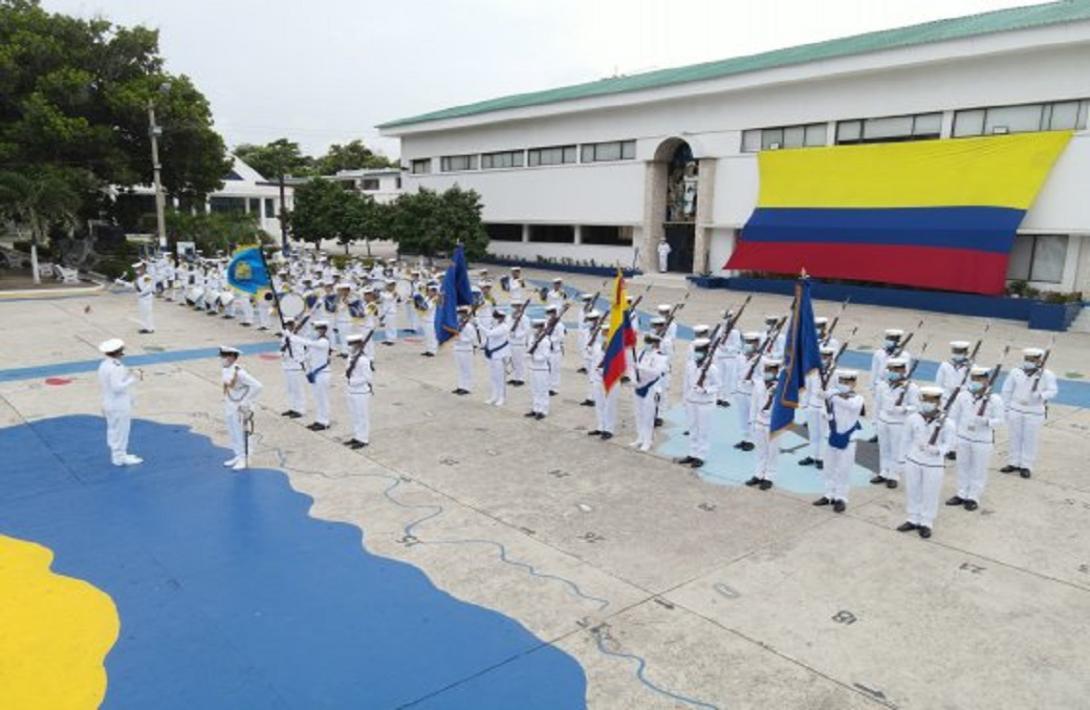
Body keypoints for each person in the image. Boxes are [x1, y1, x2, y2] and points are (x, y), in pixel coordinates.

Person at [898, 386, 953, 539]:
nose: (928, 403)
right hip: (914, 460)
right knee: (913, 490)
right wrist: (902, 460)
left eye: (932, 400)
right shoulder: (913, 418)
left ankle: (926, 522)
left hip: (933, 464)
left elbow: (950, 444)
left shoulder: (947, 422)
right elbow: (905, 439)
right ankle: (912, 518)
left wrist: (938, 450)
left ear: (938, 402)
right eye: (926, 399)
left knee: (930, 493)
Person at [947, 365, 1004, 511]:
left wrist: (986, 422)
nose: (975, 381)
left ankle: (973, 496)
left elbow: (1000, 421)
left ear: (986, 380)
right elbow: (953, 416)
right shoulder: (963, 395)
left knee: (978, 469)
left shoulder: (994, 399)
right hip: (964, 436)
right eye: (973, 379)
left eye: (979, 379)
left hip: (982, 440)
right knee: (962, 466)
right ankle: (961, 493)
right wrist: (953, 438)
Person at [1000, 347, 1058, 479]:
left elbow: (1053, 391)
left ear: (1039, 360)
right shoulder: (1016, 372)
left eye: (1032, 360)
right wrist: (1006, 408)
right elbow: (1007, 390)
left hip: (1034, 411)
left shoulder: (1046, 374)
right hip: (1016, 408)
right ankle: (1013, 462)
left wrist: (1041, 395)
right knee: (1014, 437)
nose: (1028, 362)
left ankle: (1026, 465)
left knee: (1029, 439)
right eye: (1027, 359)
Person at [817, 369, 866, 513]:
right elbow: (823, 409)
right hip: (832, 435)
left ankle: (841, 498)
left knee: (843, 470)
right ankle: (829, 494)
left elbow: (851, 406)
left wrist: (830, 395)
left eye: (847, 382)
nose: (844, 384)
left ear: (854, 383)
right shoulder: (832, 395)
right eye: (842, 381)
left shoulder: (857, 398)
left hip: (848, 439)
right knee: (829, 467)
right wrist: (825, 414)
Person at [873, 357, 917, 490]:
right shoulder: (882, 385)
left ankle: (893, 475)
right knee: (884, 448)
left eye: (897, 370)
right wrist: (875, 420)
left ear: (904, 370)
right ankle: (884, 472)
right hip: (883, 420)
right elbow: (877, 404)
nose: (893, 372)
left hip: (898, 423)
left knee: (896, 450)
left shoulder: (911, 387)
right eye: (891, 369)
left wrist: (904, 409)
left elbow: (916, 406)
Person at [97, 338, 143, 466]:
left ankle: (117, 454)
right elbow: (117, 387)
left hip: (108, 401)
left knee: (113, 429)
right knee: (122, 430)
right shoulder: (116, 367)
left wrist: (127, 375)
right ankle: (119, 457)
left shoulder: (104, 364)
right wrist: (134, 378)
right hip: (119, 404)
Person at [677, 338, 720, 468]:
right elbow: (686, 382)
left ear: (706, 353)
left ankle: (701, 455)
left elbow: (718, 385)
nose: (697, 354)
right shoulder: (690, 365)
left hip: (705, 403)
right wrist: (685, 398)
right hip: (691, 401)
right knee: (693, 428)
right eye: (696, 351)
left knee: (703, 430)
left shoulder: (712, 368)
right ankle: (692, 453)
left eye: (700, 351)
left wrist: (705, 390)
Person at [220, 346, 263, 471]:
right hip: (230, 404)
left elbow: (258, 386)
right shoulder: (226, 369)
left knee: (241, 433)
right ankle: (238, 455)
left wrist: (246, 401)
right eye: (222, 356)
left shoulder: (239, 373)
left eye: (225, 356)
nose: (222, 359)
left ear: (232, 357)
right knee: (232, 431)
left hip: (240, 407)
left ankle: (244, 459)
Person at [745, 358, 782, 489]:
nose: (767, 372)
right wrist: (752, 421)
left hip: (774, 424)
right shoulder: (759, 383)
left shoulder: (782, 386)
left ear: (777, 371)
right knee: (761, 451)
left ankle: (769, 476)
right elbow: (754, 403)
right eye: (766, 369)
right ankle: (758, 474)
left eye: (771, 370)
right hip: (759, 422)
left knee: (772, 452)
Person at [799, 346, 835, 469]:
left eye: (826, 356)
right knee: (813, 433)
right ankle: (812, 455)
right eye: (822, 356)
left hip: (825, 407)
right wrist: (805, 404)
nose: (823, 359)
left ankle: (821, 458)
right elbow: (806, 389)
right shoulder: (812, 372)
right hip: (812, 406)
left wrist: (828, 395)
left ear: (831, 357)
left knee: (823, 434)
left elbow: (837, 392)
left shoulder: (835, 373)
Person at [631, 333, 667, 451]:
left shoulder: (661, 357)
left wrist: (640, 368)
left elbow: (656, 372)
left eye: (649, 342)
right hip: (638, 385)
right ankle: (640, 438)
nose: (646, 344)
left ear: (655, 344)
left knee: (648, 416)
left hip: (651, 388)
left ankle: (648, 441)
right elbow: (634, 368)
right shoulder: (641, 353)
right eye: (646, 342)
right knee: (639, 414)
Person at [586, 325, 619, 440]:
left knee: (609, 405)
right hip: (597, 378)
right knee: (599, 404)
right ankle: (601, 426)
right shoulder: (597, 346)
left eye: (607, 331)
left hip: (610, 380)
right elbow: (589, 353)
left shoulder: (617, 348)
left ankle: (609, 429)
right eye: (603, 331)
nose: (604, 333)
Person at [731, 332, 762, 451]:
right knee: (743, 417)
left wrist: (753, 381)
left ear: (757, 344)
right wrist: (734, 391)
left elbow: (764, 378)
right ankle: (745, 438)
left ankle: (752, 440)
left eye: (751, 342)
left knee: (752, 417)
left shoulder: (761, 359)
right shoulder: (740, 357)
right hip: (741, 392)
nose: (748, 345)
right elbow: (735, 374)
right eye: (747, 342)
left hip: (752, 393)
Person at [301, 321, 333, 431]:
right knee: (317, 399)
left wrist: (292, 337)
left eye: (318, 329)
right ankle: (319, 420)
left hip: (322, 374)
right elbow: (308, 355)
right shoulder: (317, 342)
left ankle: (325, 422)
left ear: (323, 330)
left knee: (323, 399)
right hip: (315, 374)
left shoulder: (324, 342)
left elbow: (309, 343)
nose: (315, 331)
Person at [344, 334, 374, 449]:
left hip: (361, 392)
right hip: (351, 391)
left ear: (357, 345)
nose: (350, 347)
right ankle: (357, 436)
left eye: (352, 345)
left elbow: (368, 378)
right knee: (354, 415)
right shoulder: (351, 357)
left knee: (362, 416)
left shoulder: (363, 360)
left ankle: (363, 438)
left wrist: (354, 381)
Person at [278, 316, 308, 419]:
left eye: (291, 324)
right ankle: (293, 407)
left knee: (298, 389)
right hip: (287, 365)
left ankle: (300, 409)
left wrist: (290, 338)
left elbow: (300, 352)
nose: (289, 326)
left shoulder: (298, 337)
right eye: (287, 325)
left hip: (295, 366)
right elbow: (282, 350)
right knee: (290, 389)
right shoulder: (285, 337)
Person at [482, 308, 511, 406]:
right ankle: (494, 396)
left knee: (500, 378)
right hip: (492, 355)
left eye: (498, 317)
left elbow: (489, 334)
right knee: (493, 377)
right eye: (495, 316)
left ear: (502, 318)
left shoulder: (504, 327)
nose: (496, 318)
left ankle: (501, 397)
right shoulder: (495, 326)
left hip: (500, 355)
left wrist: (479, 325)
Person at [525, 319, 551, 420]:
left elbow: (545, 356)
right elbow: (529, 348)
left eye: (537, 328)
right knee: (534, 390)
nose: (535, 330)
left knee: (542, 390)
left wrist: (533, 357)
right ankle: (536, 408)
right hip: (533, 368)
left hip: (542, 369)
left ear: (542, 328)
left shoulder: (545, 341)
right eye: (535, 328)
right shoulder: (532, 338)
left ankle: (543, 410)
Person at [452, 305, 478, 395]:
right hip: (457, 349)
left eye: (462, 314)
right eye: (459, 314)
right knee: (460, 369)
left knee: (467, 369)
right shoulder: (456, 325)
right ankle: (460, 386)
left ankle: (467, 387)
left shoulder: (469, 326)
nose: (460, 316)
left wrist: (461, 339)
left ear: (465, 315)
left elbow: (472, 338)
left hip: (466, 350)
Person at [579, 311, 602, 406]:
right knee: (590, 378)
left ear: (596, 320)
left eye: (591, 320)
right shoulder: (587, 330)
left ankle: (593, 398)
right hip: (588, 357)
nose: (589, 321)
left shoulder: (600, 331)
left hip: (596, 357)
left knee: (594, 378)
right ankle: (590, 397)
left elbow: (600, 344)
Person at [507, 299, 529, 386]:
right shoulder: (509, 317)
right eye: (514, 306)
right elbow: (507, 326)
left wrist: (517, 335)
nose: (516, 308)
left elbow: (526, 330)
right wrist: (510, 332)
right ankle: (514, 377)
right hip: (511, 342)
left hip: (519, 343)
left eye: (518, 306)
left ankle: (520, 378)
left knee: (519, 361)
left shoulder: (524, 318)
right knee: (513, 361)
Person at [546, 304, 566, 395]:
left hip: (556, 350)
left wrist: (551, 339)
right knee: (549, 369)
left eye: (551, 314)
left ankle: (555, 388)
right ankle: (549, 386)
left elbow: (561, 337)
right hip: (548, 349)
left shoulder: (559, 325)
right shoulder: (548, 323)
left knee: (555, 370)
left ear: (554, 313)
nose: (550, 316)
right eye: (548, 314)